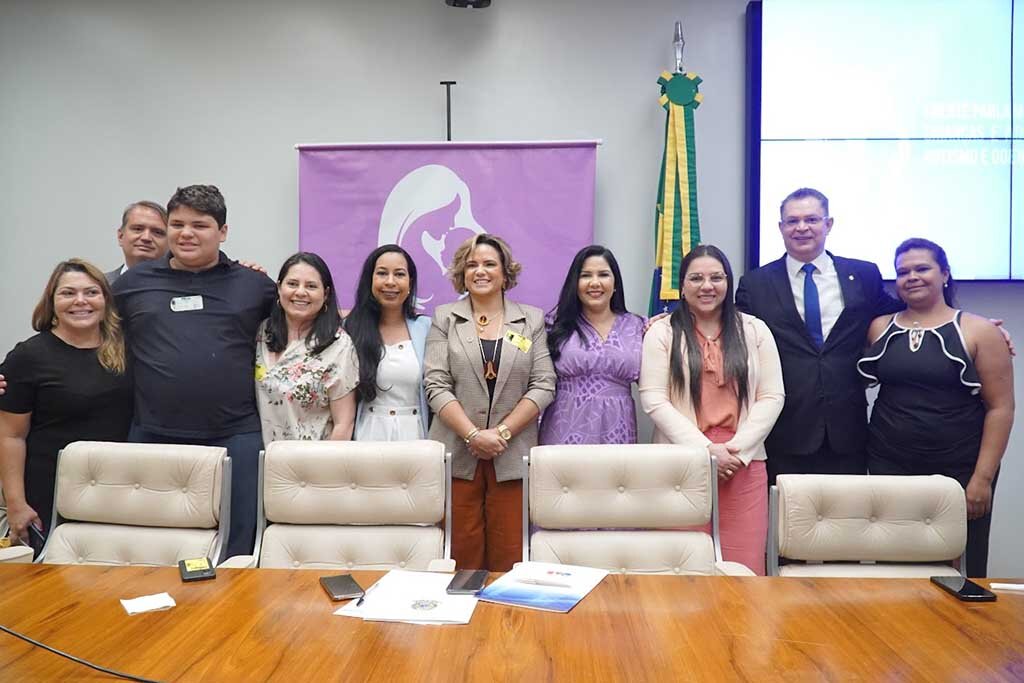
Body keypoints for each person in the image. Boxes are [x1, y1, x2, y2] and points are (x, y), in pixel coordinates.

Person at [112, 184, 277, 558]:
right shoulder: (132, 284)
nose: (186, 234)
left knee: (239, 546)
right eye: (177, 224)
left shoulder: (254, 285)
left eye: (200, 225)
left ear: (223, 232)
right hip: (154, 433)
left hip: (236, 435)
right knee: (151, 547)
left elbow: (305, 324)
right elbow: (87, 334)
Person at [857, 238, 1013, 577]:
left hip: (961, 466)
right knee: (894, 565)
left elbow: (1001, 408)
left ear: (944, 274)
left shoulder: (979, 331)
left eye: (922, 269)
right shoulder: (879, 327)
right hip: (889, 463)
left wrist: (982, 478)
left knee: (964, 570)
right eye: (902, 272)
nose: (911, 277)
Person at [735, 188, 903, 482]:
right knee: (785, 523)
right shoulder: (756, 283)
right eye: (792, 221)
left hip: (847, 431)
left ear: (829, 224)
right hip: (784, 429)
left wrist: (964, 323)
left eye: (811, 219)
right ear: (781, 228)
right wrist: (670, 323)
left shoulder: (863, 275)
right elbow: (728, 330)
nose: (802, 228)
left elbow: (905, 316)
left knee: (846, 522)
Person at [640, 245, 784, 575]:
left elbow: (772, 396)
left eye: (716, 277)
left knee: (743, 568)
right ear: (682, 285)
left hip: (741, 462)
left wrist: (735, 451)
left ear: (729, 282)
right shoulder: (662, 332)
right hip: (681, 461)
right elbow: (653, 399)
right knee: (682, 568)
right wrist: (705, 451)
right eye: (697, 278)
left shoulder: (755, 330)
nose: (707, 286)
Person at [424, 234, 556, 571]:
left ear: (505, 272)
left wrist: (501, 434)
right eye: (472, 265)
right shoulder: (444, 318)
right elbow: (436, 384)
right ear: (462, 273)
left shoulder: (531, 319)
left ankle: (504, 621)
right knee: (459, 551)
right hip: (457, 452)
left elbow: (544, 384)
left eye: (489, 264)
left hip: (511, 454)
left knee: (509, 554)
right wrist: (472, 435)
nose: (480, 271)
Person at [0, 259, 132, 547]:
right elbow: (11, 436)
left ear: (106, 301)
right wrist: (16, 503)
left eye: (91, 292)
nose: (80, 301)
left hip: (117, 489)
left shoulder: (126, 349)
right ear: (52, 302)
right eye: (68, 293)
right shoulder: (28, 357)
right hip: (50, 491)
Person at [539, 245, 645, 445]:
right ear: (575, 283)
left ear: (615, 284)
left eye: (603, 275)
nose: (595, 283)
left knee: (614, 477)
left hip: (617, 431)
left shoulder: (639, 326)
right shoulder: (552, 326)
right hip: (563, 432)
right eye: (586, 275)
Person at [255, 253, 358, 444]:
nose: (301, 292)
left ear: (325, 294)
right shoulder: (261, 333)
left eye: (311, 286)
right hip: (260, 460)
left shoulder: (339, 345)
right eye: (292, 284)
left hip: (311, 465)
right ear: (279, 288)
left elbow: (344, 424)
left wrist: (324, 470)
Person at [344, 245, 431, 440]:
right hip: (367, 435)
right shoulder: (349, 329)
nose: (390, 282)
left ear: (410, 283)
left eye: (399, 274)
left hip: (416, 436)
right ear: (370, 280)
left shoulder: (427, 328)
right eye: (382, 273)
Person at [105, 201, 169, 284]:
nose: (146, 238)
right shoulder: (99, 285)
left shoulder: (182, 286)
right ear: (120, 236)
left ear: (169, 242)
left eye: (157, 232)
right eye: (138, 229)